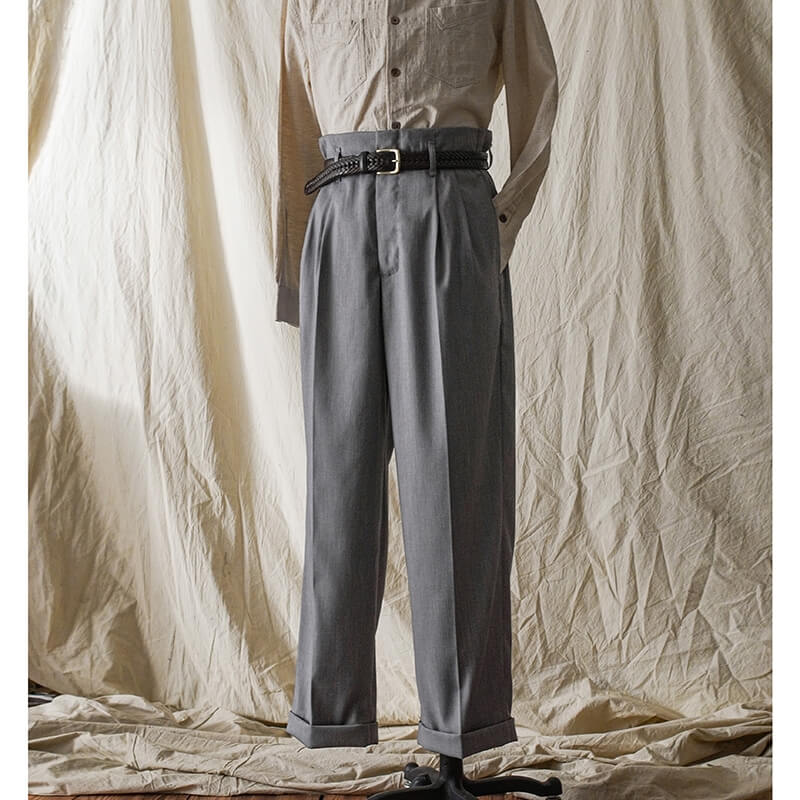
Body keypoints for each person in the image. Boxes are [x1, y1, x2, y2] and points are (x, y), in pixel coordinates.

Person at [275, 0, 559, 760]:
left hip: (450, 206)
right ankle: (330, 731)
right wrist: (301, 272)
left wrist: (492, 230)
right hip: (339, 212)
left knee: (455, 483)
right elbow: (297, 125)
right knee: (338, 482)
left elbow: (541, 92)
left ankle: (464, 732)